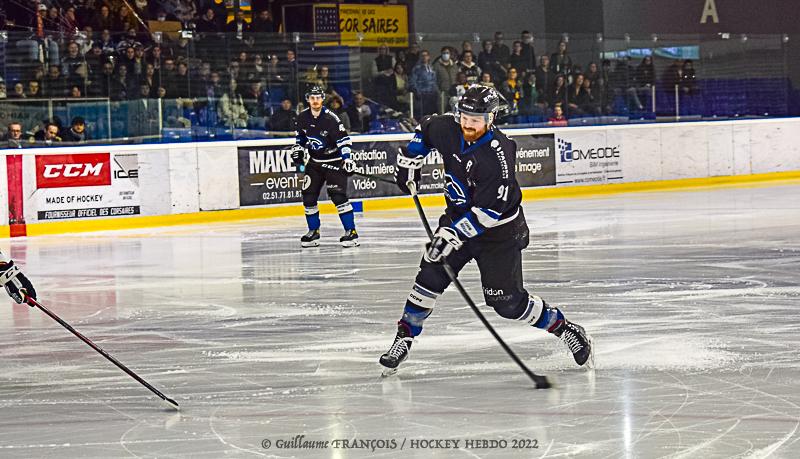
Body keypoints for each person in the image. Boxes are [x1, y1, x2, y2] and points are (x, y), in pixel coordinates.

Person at [379, 85, 593, 373]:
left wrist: (452, 235)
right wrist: (410, 160)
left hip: (499, 233)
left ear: (490, 119)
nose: (468, 124)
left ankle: (564, 327)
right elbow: (425, 130)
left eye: (476, 120)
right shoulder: (448, 127)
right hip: (457, 218)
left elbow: (488, 213)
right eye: (465, 117)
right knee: (430, 275)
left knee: (508, 304)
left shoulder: (498, 155)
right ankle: (404, 336)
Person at [290, 86, 359, 248]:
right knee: (308, 197)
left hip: (334, 162)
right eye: (312, 98)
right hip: (315, 163)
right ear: (308, 99)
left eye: (318, 98)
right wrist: (298, 150)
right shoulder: (302, 117)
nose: (315, 101)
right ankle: (313, 232)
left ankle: (351, 232)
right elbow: (300, 139)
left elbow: (343, 141)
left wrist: (347, 159)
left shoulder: (331, 118)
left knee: (338, 196)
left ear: (322, 99)